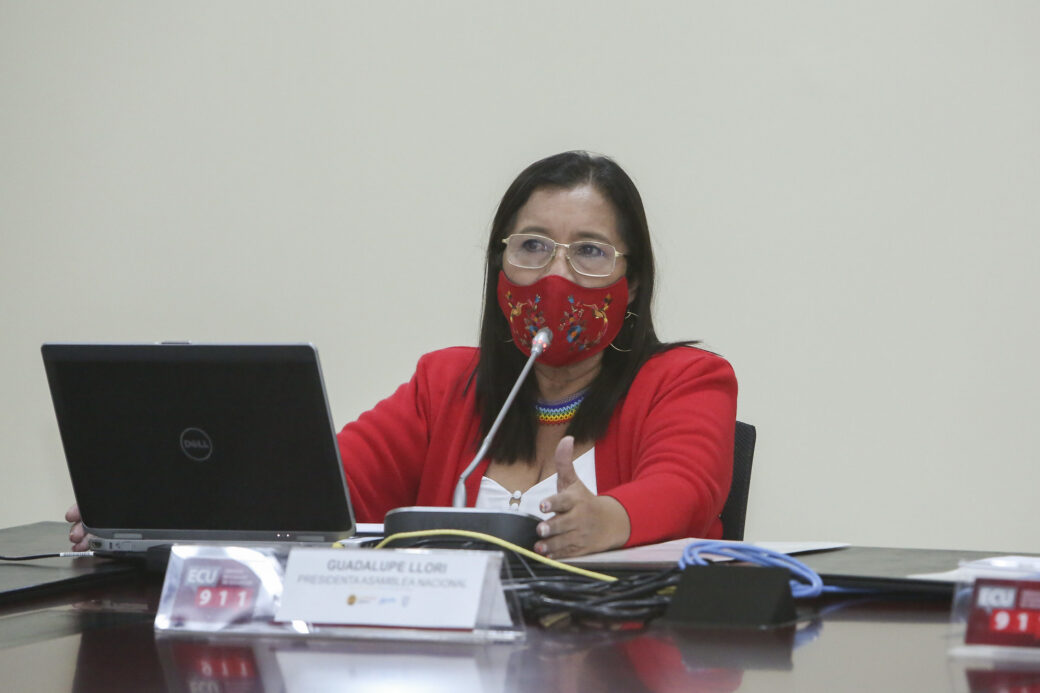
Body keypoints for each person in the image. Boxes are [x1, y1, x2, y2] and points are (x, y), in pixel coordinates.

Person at [67, 151, 737, 559]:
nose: (555, 274)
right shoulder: (446, 383)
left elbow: (684, 488)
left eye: (589, 251)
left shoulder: (687, 380)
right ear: (498, 266)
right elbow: (316, 489)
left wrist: (606, 520)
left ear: (634, 281)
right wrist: (156, 505)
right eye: (532, 245)